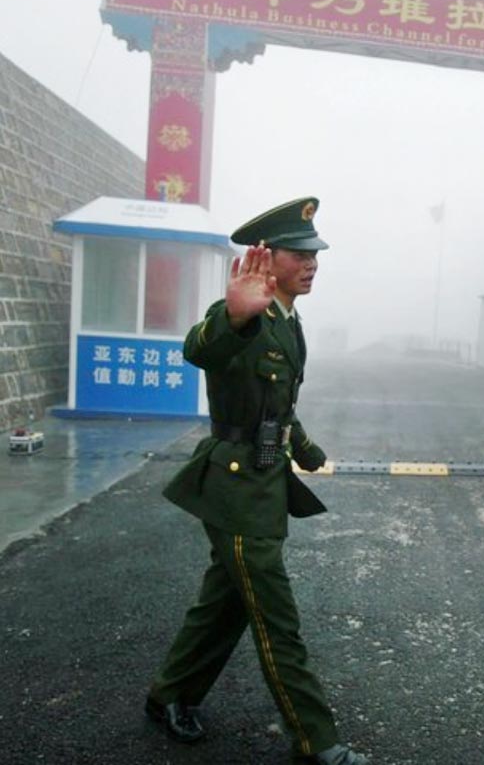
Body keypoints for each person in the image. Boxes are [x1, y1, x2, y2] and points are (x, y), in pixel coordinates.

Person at [145, 197, 368, 765]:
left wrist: (307, 449)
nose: (312, 263)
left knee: (225, 603)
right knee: (276, 619)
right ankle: (317, 742)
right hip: (237, 489)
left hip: (263, 484)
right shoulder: (246, 315)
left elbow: (277, 406)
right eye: (300, 253)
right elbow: (199, 348)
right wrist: (235, 314)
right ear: (266, 259)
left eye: (315, 253)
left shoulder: (290, 321)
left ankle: (170, 695)